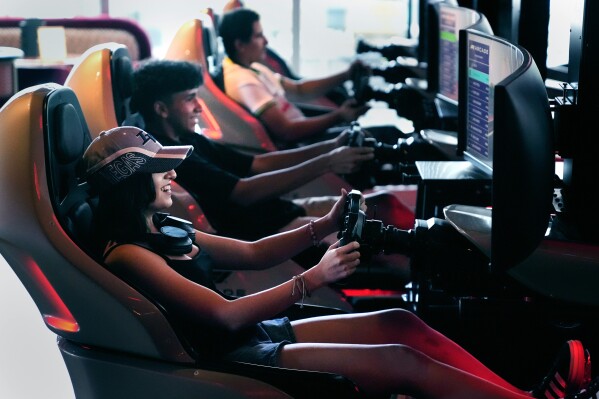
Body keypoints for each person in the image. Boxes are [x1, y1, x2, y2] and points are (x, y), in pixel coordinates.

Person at [82, 126, 597, 399]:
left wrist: (325, 224)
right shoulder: (129, 254)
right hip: (234, 357)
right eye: (161, 172)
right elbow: (224, 315)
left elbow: (254, 252)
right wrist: (314, 278)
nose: (172, 178)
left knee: (400, 321)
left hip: (253, 337)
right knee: (402, 362)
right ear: (129, 184)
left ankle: (518, 396)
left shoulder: (164, 229)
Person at [129, 59, 416, 245]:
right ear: (161, 109)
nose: (199, 108)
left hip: (280, 211)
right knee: (385, 237)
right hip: (271, 230)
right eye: (190, 99)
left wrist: (331, 147)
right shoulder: (170, 155)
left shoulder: (187, 137)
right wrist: (326, 163)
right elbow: (243, 192)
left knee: (384, 204)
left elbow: (256, 163)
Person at [218, 7, 407, 149]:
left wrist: (346, 75)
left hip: (309, 136)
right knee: (386, 135)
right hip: (303, 147)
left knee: (383, 133)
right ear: (240, 44)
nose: (266, 41)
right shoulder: (243, 81)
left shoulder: (254, 68)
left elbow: (299, 90)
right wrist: (339, 115)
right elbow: (287, 131)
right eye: (258, 36)